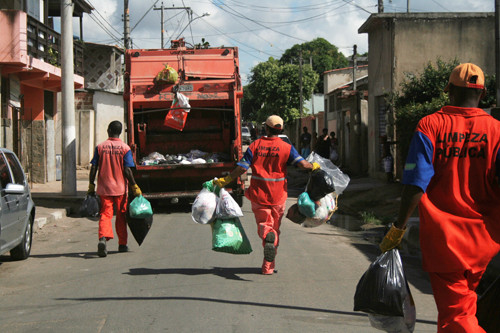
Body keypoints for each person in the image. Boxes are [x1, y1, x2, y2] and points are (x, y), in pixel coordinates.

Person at [379, 63, 500, 332]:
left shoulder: (431, 125)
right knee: (462, 304)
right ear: (481, 94)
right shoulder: (497, 131)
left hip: (445, 241)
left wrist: (398, 227)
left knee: (457, 316)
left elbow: (414, 183)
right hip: (485, 241)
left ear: (450, 92)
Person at [212, 115, 319, 275]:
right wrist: (313, 166)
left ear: (266, 129)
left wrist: (225, 180)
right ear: (280, 129)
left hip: (259, 193)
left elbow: (242, 168)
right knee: (275, 228)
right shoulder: (286, 147)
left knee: (265, 225)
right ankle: (268, 267)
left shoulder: (256, 145)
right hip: (279, 195)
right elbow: (303, 164)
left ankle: (267, 235)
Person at [88, 121, 142, 257]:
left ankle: (102, 238)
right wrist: (134, 185)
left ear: (109, 130)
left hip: (104, 188)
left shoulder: (100, 147)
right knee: (121, 216)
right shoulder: (125, 148)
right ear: (119, 132)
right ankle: (122, 244)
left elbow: (93, 167)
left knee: (105, 214)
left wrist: (91, 184)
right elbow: (127, 170)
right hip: (120, 189)